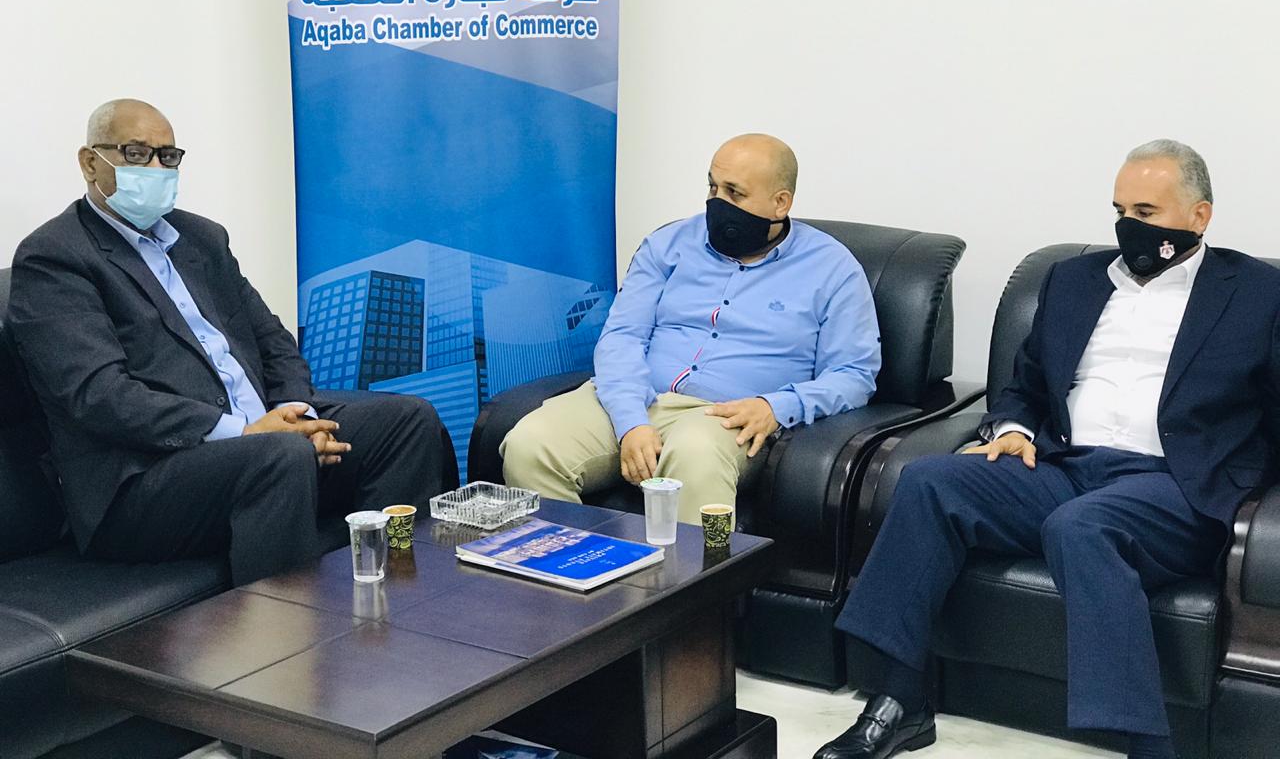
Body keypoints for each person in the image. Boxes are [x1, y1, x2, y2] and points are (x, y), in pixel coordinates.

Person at [816, 140, 1280, 759]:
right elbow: (1025, 384)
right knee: (929, 482)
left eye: (1147, 211)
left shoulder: (1257, 293)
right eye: (1120, 210)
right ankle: (899, 701)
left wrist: (1249, 486)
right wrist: (1011, 429)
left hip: (1174, 484)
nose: (1129, 226)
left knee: (1082, 526)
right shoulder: (1075, 280)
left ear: (1200, 216)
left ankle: (1148, 746)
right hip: (1064, 466)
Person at [6, 98, 455, 585]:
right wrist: (243, 433)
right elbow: (100, 396)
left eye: (167, 156)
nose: (155, 168)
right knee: (279, 456)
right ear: (90, 162)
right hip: (142, 482)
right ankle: (288, 629)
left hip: (257, 446)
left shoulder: (201, 238)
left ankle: (400, 595)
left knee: (407, 420)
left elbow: (272, 340)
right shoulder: (54, 257)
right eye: (135, 154)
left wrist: (298, 415)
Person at [501, 133, 882, 524]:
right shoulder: (669, 244)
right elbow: (623, 337)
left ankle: (693, 568)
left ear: (780, 203)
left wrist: (776, 407)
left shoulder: (832, 269)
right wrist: (631, 421)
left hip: (726, 418)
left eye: (734, 193)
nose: (718, 202)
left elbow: (854, 375)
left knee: (694, 453)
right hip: (639, 397)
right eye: (713, 187)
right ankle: (577, 561)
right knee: (530, 446)